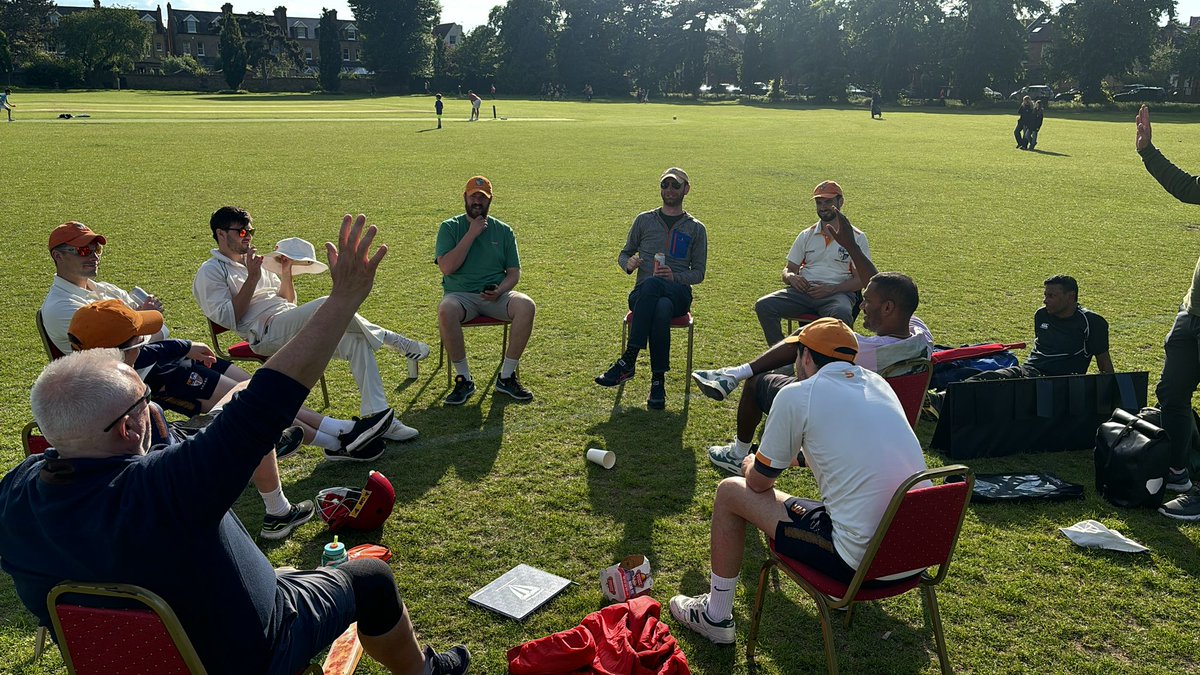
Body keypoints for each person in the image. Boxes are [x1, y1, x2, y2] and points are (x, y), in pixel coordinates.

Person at [0, 216, 471, 675]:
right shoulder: (171, 488)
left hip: (123, 660)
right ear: (127, 428)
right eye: (146, 402)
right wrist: (345, 297)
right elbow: (267, 401)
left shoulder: (15, 493)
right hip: (248, 651)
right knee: (371, 579)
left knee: (280, 571)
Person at [668, 318, 928, 644]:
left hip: (862, 565)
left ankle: (715, 616)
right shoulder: (878, 384)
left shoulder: (796, 395)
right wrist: (797, 459)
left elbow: (760, 482)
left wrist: (751, 463)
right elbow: (850, 446)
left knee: (730, 492)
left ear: (805, 356)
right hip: (919, 552)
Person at [67, 299, 321, 539]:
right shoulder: (133, 405)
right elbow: (165, 467)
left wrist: (184, 347)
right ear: (128, 349)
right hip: (177, 466)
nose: (144, 343)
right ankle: (278, 508)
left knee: (245, 401)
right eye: (139, 340)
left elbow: (143, 354)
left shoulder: (67, 391)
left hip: (164, 450)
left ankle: (269, 454)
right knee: (249, 414)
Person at [193, 206, 425, 441]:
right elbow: (228, 317)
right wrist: (252, 278)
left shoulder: (257, 263)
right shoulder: (211, 271)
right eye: (241, 232)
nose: (249, 236)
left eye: (250, 230)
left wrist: (285, 272)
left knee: (356, 342)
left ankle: (379, 415)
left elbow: (289, 303)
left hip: (286, 325)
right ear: (221, 234)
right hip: (263, 334)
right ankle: (393, 340)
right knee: (329, 302)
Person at [70, 299, 393, 464]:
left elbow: (135, 345)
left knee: (257, 388)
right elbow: (135, 352)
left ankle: (341, 432)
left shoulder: (93, 319)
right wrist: (181, 345)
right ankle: (335, 444)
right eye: (84, 250)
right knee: (253, 404)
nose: (94, 255)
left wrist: (181, 346)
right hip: (162, 376)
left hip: (166, 365)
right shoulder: (125, 392)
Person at [700, 266, 932, 473]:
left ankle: (738, 448)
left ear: (888, 307)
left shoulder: (868, 350)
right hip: (887, 424)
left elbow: (808, 338)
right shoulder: (922, 336)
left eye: (867, 301)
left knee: (759, 379)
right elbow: (892, 290)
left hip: (838, 418)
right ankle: (733, 375)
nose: (861, 306)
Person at [596, 168, 708, 409]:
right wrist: (628, 263)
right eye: (665, 185)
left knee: (659, 289)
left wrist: (675, 277)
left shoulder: (695, 228)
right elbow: (624, 252)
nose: (669, 190)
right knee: (660, 305)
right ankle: (658, 382)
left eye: (675, 186)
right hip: (644, 295)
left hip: (679, 293)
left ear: (685, 190)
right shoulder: (644, 220)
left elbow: (699, 273)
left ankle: (629, 359)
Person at [1137, 103, 1200, 513]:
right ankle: (1179, 470)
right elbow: (1186, 186)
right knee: (1171, 393)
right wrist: (1148, 151)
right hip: (1193, 311)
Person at [436, 176, 537, 405]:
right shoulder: (450, 227)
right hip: (460, 296)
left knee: (526, 305)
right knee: (446, 310)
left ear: (490, 201)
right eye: (473, 196)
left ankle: (507, 376)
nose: (477, 202)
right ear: (465, 197)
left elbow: (513, 272)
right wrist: (472, 233)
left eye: (483, 197)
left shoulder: (503, 231)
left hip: (496, 296)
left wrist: (500, 290)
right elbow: (447, 267)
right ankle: (464, 379)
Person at [753, 180, 870, 345]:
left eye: (828, 202)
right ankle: (782, 360)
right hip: (803, 293)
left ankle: (835, 364)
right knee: (764, 306)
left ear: (841, 202)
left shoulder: (856, 237)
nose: (823, 207)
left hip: (837, 295)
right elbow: (789, 269)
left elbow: (861, 280)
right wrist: (792, 277)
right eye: (819, 203)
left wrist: (831, 289)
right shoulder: (806, 235)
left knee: (842, 313)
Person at [965, 275, 1112, 381]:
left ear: (1070, 296)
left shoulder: (1092, 322)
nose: (1045, 300)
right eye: (1045, 295)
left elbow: (1104, 364)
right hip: (1028, 371)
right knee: (975, 382)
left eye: (1051, 296)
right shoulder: (1041, 314)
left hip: (1057, 381)